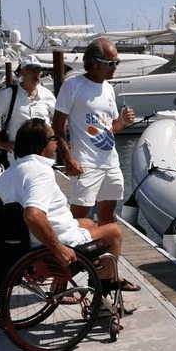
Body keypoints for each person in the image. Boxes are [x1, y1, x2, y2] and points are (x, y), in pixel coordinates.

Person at [0, 119, 139, 290]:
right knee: (114, 231)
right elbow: (33, 215)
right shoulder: (40, 172)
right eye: (54, 138)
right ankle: (106, 286)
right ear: (43, 145)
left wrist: (10, 228)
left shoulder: (12, 171)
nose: (57, 142)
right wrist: (58, 248)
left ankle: (63, 287)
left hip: (29, 240)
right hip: (52, 244)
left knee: (87, 223)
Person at [53, 38, 135, 224]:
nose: (115, 67)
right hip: (85, 164)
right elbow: (57, 126)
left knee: (108, 217)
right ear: (95, 63)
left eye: (117, 62)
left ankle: (103, 243)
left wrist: (123, 121)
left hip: (111, 163)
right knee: (78, 219)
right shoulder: (72, 85)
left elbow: (110, 129)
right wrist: (68, 159)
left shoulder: (108, 88)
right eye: (111, 63)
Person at [0, 55, 55, 169]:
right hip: (17, 157)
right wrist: (0, 143)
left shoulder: (47, 94)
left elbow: (58, 120)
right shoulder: (8, 94)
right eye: (32, 70)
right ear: (22, 72)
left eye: (38, 70)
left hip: (44, 155)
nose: (36, 73)